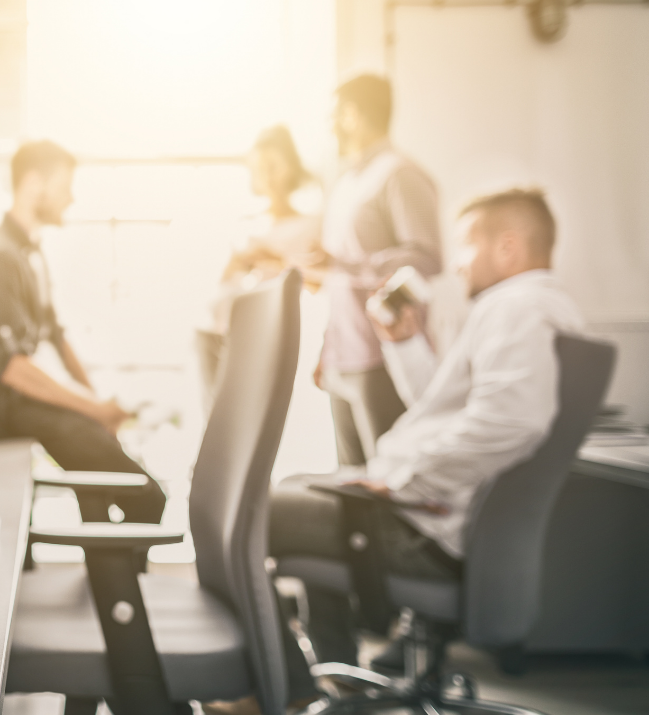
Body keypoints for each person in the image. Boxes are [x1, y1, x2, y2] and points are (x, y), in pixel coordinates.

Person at [257, 188, 583, 708]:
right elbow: (441, 414)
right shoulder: (532, 309)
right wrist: (404, 341)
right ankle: (334, 677)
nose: (455, 265)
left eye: (464, 247)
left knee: (252, 513)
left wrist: (397, 483)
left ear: (507, 248)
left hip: (422, 529)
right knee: (305, 488)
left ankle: (282, 692)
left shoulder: (519, 309)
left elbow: (510, 422)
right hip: (439, 522)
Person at [0, 141, 167, 523]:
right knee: (148, 498)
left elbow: (57, 336)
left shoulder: (29, 254)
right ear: (35, 184)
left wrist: (97, 406)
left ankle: (106, 579)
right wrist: (95, 409)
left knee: (102, 476)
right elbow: (13, 369)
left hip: (23, 404)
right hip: (1, 409)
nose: (71, 197)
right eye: (66, 185)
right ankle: (114, 582)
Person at [316, 74, 442, 466]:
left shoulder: (399, 174)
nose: (329, 125)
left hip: (382, 360)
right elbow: (336, 279)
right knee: (349, 487)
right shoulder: (345, 182)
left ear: (354, 115)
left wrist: (344, 265)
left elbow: (426, 258)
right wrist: (326, 350)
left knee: (386, 481)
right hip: (343, 357)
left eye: (334, 115)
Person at [197, 125, 326, 406]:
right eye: (260, 167)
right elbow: (222, 286)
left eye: (273, 166)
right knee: (217, 420)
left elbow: (320, 286)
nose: (267, 176)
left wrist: (278, 262)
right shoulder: (245, 224)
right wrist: (237, 262)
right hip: (219, 335)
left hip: (270, 339)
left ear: (290, 167)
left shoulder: (311, 225)